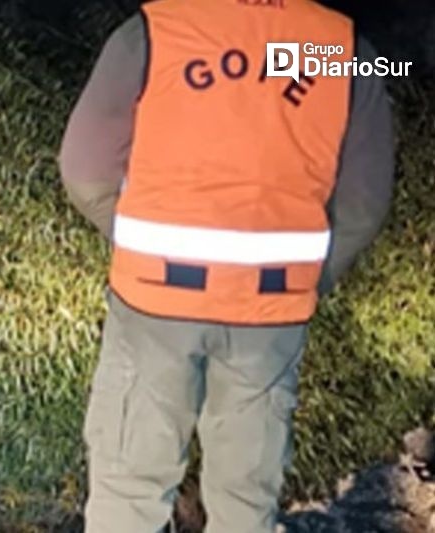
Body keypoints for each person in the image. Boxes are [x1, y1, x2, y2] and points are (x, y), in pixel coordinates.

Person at [59, 2, 394, 532]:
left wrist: (136, 243)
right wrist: (308, 275)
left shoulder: (153, 32)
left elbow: (83, 167)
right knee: (245, 498)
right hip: (270, 313)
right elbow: (365, 200)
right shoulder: (338, 49)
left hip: (155, 304)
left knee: (129, 488)